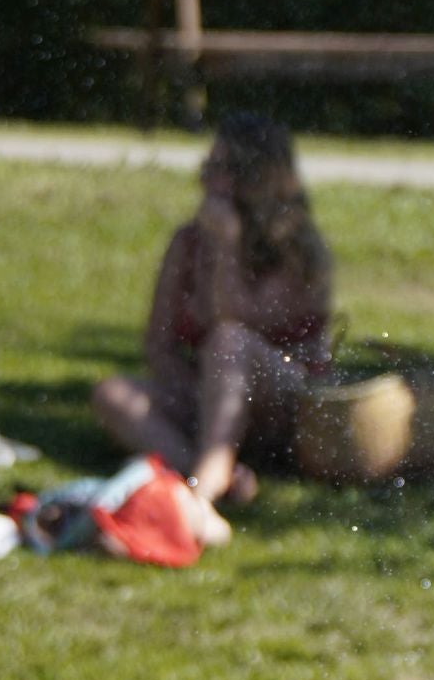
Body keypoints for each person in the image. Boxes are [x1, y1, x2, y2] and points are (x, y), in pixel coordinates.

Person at [92, 114, 333, 508]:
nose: (207, 181)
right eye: (208, 166)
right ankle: (208, 477)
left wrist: (225, 247)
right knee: (113, 394)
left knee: (228, 341)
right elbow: (159, 343)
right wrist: (187, 385)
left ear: (258, 177)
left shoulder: (297, 246)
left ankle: (208, 476)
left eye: (223, 169)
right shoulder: (187, 243)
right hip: (212, 402)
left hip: (291, 404)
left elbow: (235, 318)